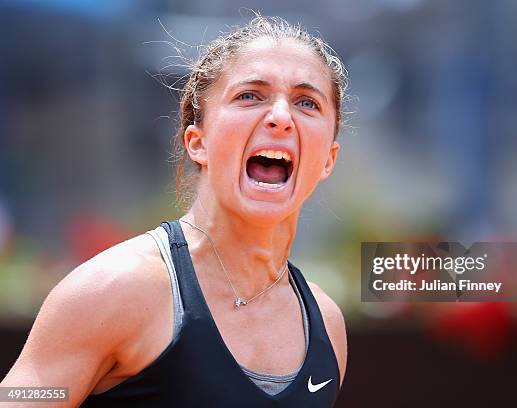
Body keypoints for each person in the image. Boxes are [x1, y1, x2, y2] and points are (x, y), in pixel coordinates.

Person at [0, 15, 348, 407]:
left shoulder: (325, 325)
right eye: (250, 95)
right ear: (197, 142)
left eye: (306, 102)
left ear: (327, 160)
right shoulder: (116, 289)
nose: (281, 117)